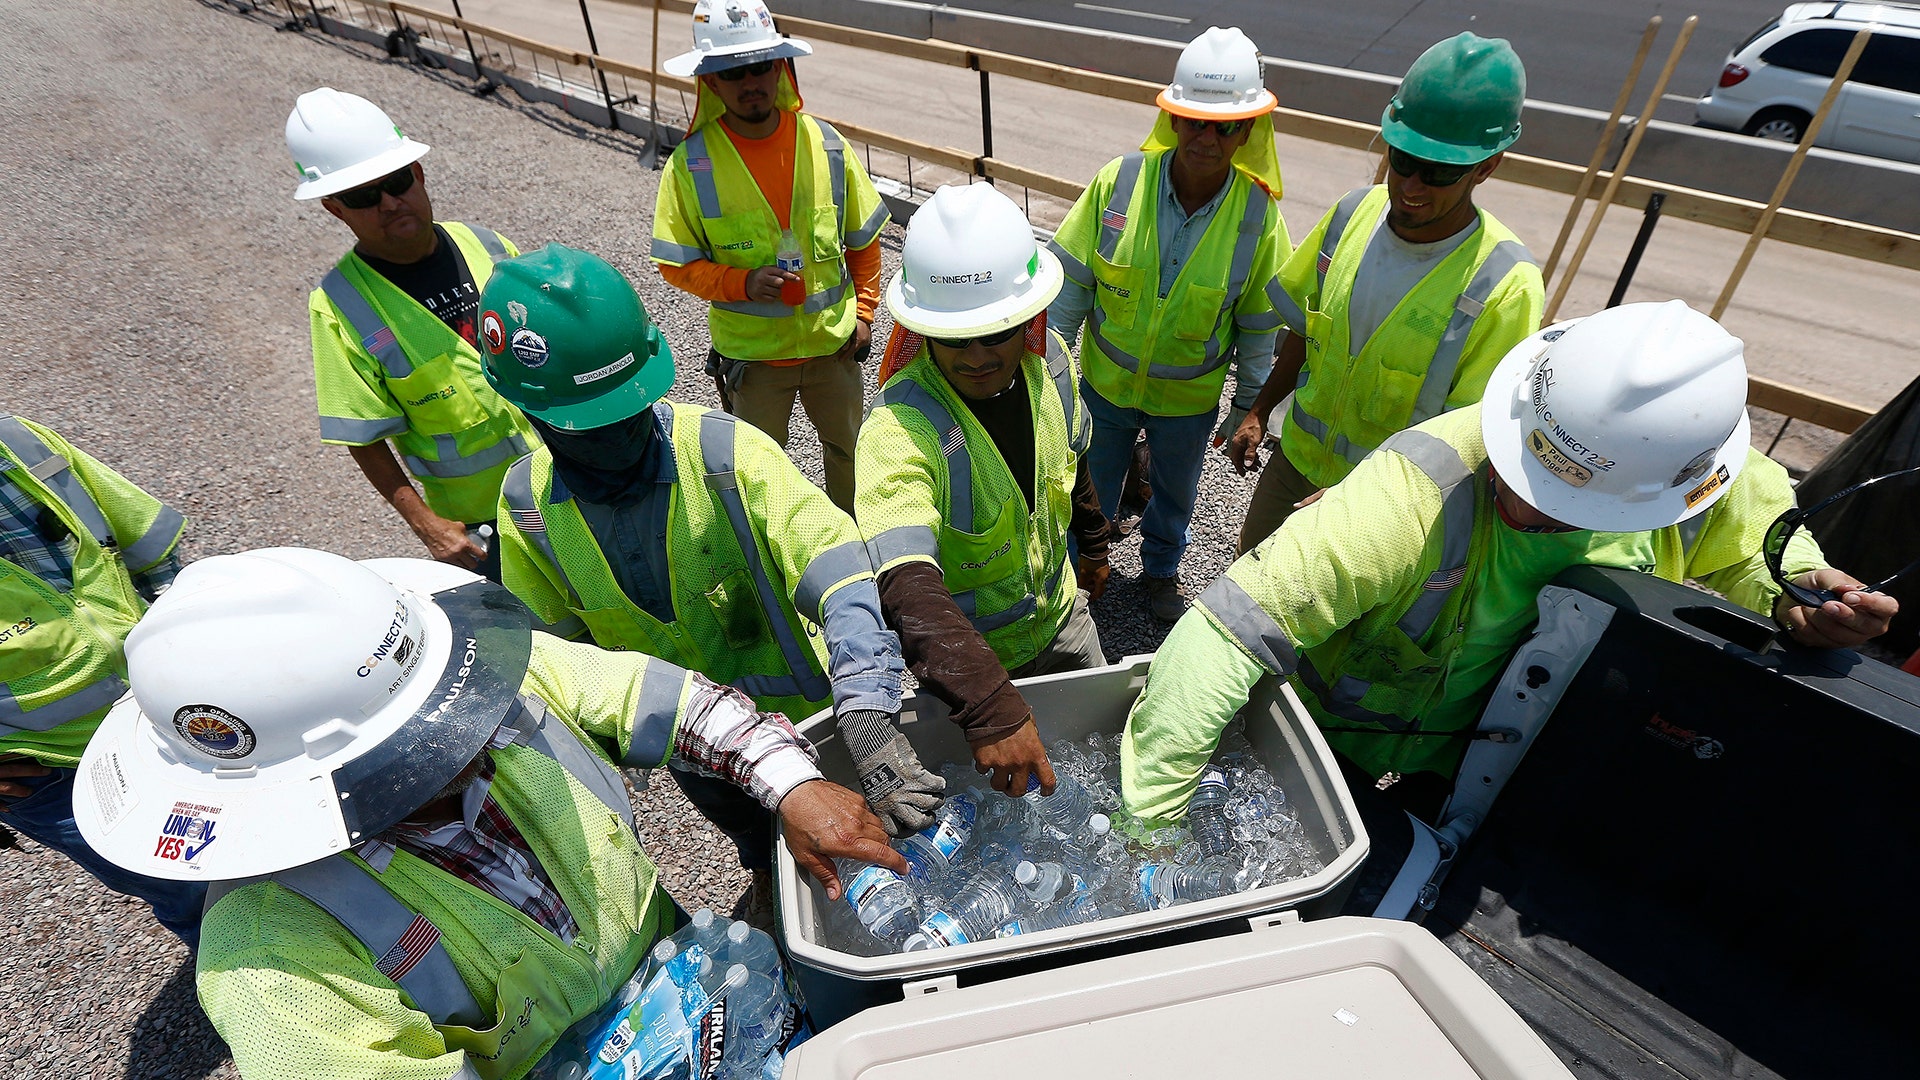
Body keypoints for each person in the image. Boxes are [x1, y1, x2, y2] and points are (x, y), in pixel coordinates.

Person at [71, 546, 906, 1080]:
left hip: (691, 979)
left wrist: (791, 780)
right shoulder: (268, 955)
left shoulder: (465, 683)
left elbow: (652, 696)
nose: (467, 732)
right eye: (415, 747)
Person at [1121, 301, 1897, 829]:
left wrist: (1794, 592)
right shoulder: (1410, 492)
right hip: (1338, 744)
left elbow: (1757, 536)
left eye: (1567, 507)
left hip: (1498, 751)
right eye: (1523, 469)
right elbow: (1222, 635)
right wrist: (1150, 830)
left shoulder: (1693, 477)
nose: (1524, 507)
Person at [481, 245, 938, 924]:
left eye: (627, 408)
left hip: (821, 720)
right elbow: (561, 663)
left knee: (876, 843)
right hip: (695, 756)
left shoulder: (724, 453)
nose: (617, 434)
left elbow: (838, 564)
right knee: (753, 832)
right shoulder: (528, 512)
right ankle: (764, 869)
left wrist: (868, 713)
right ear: (532, 413)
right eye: (593, 422)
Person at [1228, 33, 1543, 555]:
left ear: (1487, 167)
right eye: (1402, 160)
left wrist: (1365, 500)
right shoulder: (1353, 215)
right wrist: (1260, 410)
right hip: (1297, 464)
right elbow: (1306, 329)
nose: (1412, 187)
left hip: (1386, 507)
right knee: (1247, 577)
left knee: (1321, 624)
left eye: (1439, 172)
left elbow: (1471, 435)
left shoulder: (1505, 285)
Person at [856, 184, 1112, 799]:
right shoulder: (900, 429)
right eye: (955, 338)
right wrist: (991, 706)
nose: (978, 355)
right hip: (964, 666)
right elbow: (906, 581)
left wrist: (1096, 540)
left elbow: (1071, 458)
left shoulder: (1049, 360)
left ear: (1027, 318)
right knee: (997, 802)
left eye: (994, 333)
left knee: (1100, 765)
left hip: (1061, 621)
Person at [1048, 26, 1292, 621]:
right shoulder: (1120, 183)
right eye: (1194, 121)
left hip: (1188, 400)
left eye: (1225, 126)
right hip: (1104, 386)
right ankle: (1086, 563)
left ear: (1247, 131)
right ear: (1173, 120)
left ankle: (1160, 569)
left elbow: (1259, 330)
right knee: (1090, 481)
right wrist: (1048, 380)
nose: (1208, 137)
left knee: (1178, 493)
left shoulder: (1258, 217)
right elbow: (1070, 288)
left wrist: (1248, 410)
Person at [651, 0, 891, 513]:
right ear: (710, 82)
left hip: (833, 349)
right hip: (755, 361)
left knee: (851, 455)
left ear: (779, 67)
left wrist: (866, 313)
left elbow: (863, 241)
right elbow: (675, 263)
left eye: (760, 66)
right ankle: (781, 557)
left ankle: (855, 549)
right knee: (760, 471)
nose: (749, 81)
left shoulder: (826, 145)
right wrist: (740, 283)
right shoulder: (691, 164)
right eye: (732, 71)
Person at [290, 87, 537, 581]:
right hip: (485, 518)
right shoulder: (342, 305)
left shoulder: (486, 244)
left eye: (397, 182)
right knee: (546, 634)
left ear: (418, 174)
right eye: (363, 196)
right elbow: (362, 436)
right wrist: (426, 525)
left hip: (569, 474)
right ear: (334, 208)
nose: (388, 203)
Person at [0, 413, 204, 943]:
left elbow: (148, 544)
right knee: (192, 892)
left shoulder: (17, 442)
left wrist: (201, 641)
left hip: (168, 710)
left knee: (271, 844)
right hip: (52, 770)